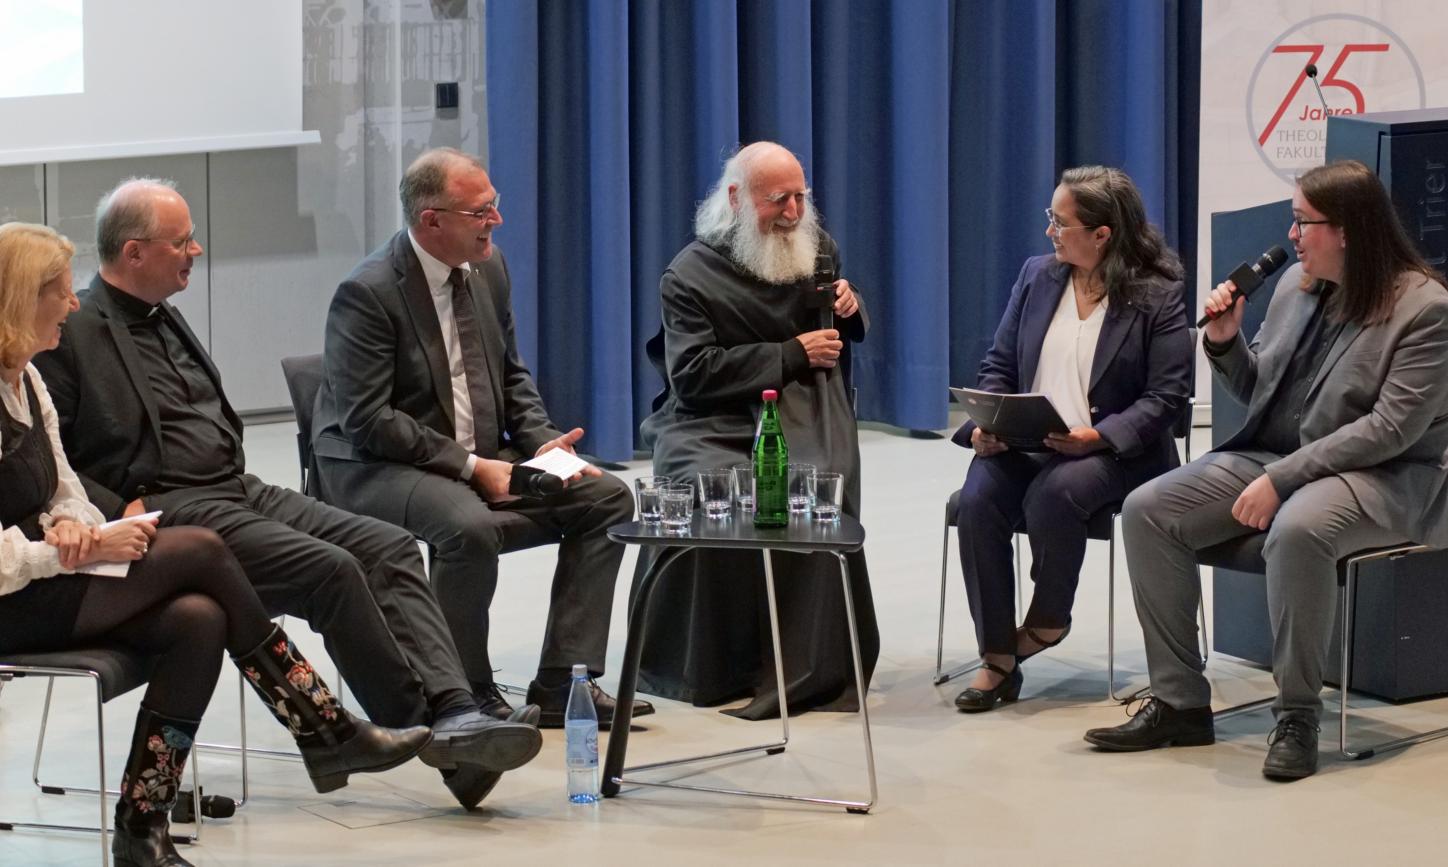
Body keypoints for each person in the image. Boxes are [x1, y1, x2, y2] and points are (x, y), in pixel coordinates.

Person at [33, 179, 542, 811]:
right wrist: (116, 507)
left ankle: (456, 709)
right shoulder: (73, 331)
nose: (196, 250)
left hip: (237, 488)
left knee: (387, 546)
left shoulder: (165, 313)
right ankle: (440, 736)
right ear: (134, 253)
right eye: (182, 241)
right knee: (332, 569)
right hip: (171, 504)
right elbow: (49, 460)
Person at [0, 223, 431, 867]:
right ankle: (321, 724)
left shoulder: (28, 382)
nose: (72, 303)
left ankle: (142, 830)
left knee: (199, 620)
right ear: (19, 299)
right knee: (200, 550)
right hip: (12, 596)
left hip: (49, 576)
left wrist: (72, 521)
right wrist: (66, 551)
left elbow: (65, 484)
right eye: (59, 292)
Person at [1084, 160, 1448, 780]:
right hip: (1278, 457)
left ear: (1348, 230)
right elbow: (1263, 393)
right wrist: (1226, 343)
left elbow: (1389, 431)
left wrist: (1282, 480)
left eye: (1304, 222)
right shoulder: (1296, 289)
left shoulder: (1424, 310)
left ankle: (1298, 715)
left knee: (1300, 529)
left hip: (1386, 475)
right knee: (1148, 510)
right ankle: (1179, 702)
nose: (1292, 235)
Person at [310, 148, 648, 728]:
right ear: (431, 220)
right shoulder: (368, 292)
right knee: (467, 528)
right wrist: (472, 467)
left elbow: (511, 374)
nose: (496, 220)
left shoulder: (488, 268)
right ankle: (462, 694)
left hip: (474, 454)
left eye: (495, 205)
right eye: (481, 212)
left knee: (607, 498)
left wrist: (543, 443)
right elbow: (369, 419)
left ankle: (564, 684)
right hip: (375, 465)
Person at [634, 141, 877, 719]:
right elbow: (692, 374)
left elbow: (836, 328)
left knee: (816, 480)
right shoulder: (688, 275)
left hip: (800, 403)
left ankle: (804, 665)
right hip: (709, 417)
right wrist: (790, 353)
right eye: (778, 200)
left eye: (800, 197)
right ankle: (710, 668)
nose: (793, 212)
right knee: (709, 485)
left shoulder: (818, 250)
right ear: (737, 198)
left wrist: (850, 306)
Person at [950, 166, 1191, 712]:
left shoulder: (1158, 293)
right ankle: (998, 657)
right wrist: (988, 423)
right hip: (1028, 441)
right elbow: (999, 365)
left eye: (1060, 223)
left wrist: (1099, 436)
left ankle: (1048, 620)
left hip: (1116, 452)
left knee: (1056, 493)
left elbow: (1166, 398)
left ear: (1102, 234)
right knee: (976, 501)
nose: (1049, 232)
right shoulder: (1038, 276)